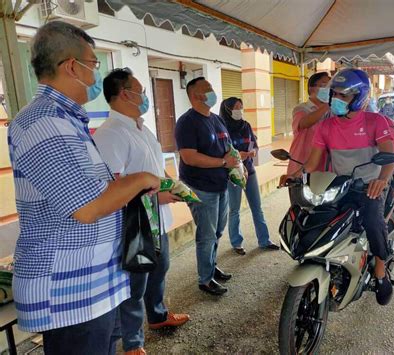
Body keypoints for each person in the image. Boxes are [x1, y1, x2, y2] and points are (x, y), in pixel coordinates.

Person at [7, 22, 162, 354]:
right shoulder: (44, 122)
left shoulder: (66, 121)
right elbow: (88, 206)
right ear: (71, 66)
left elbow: (94, 188)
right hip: (69, 293)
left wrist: (130, 188)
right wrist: (142, 179)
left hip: (92, 285)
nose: (95, 75)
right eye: (93, 64)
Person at [93, 68, 190, 355]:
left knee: (160, 268)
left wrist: (171, 185)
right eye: (141, 91)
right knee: (135, 282)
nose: (145, 96)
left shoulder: (141, 128)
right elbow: (111, 186)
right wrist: (157, 195)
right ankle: (133, 344)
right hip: (134, 222)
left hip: (156, 218)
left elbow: (154, 170)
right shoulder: (110, 134)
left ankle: (158, 316)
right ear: (125, 94)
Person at [280, 69, 394, 306]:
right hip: (339, 185)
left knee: (373, 221)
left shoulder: (376, 121)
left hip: (370, 185)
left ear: (360, 97)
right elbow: (313, 162)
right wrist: (294, 175)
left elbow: (389, 157)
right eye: (334, 95)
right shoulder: (326, 127)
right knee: (317, 216)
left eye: (343, 96)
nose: (336, 100)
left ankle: (381, 273)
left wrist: (382, 179)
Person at [175, 77, 239, 296]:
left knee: (218, 231)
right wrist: (223, 162)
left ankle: (210, 266)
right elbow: (189, 157)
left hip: (220, 184)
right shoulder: (187, 122)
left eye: (212, 88)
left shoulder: (216, 119)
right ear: (195, 96)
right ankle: (205, 279)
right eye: (208, 90)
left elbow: (228, 146)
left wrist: (236, 162)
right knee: (207, 234)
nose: (213, 92)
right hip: (200, 187)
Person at [219, 97, 279, 255]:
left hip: (250, 172)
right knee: (234, 210)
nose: (239, 110)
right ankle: (236, 243)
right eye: (236, 107)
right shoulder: (223, 129)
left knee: (257, 207)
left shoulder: (246, 126)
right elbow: (223, 151)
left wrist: (252, 152)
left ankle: (264, 240)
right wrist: (239, 155)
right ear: (227, 109)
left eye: (241, 106)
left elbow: (254, 144)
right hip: (233, 175)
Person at [287, 72, 330, 175]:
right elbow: (304, 123)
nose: (328, 89)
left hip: (323, 168)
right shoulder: (301, 109)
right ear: (311, 88)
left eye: (330, 86)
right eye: (325, 85)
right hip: (300, 166)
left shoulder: (333, 111)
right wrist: (327, 106)